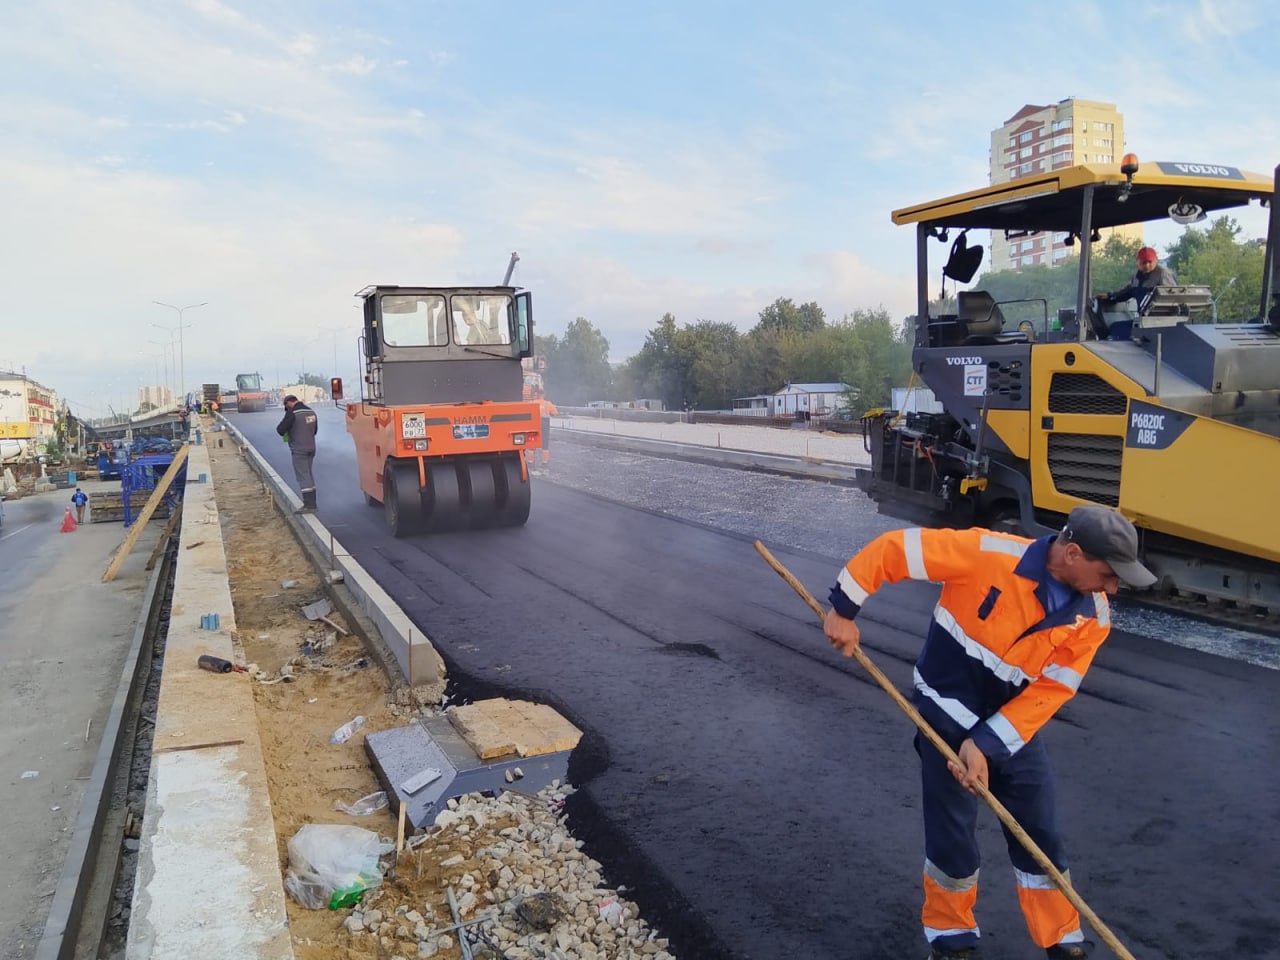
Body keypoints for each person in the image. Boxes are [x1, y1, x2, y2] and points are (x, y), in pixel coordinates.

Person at [823, 504, 1157, 960]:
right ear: (1074, 553)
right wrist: (843, 609)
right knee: (953, 833)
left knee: (1040, 831)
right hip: (945, 709)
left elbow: (1052, 689)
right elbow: (894, 549)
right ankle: (951, 938)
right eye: (1108, 573)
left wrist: (988, 743)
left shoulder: (1093, 618)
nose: (1113, 587)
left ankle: (1062, 939)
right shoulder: (986, 553)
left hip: (1011, 726)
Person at [276, 394, 318, 512]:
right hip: (311, 447)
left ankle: (309, 505)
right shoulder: (311, 412)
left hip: (299, 449)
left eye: (287, 406)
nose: (287, 409)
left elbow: (280, 430)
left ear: (288, 402)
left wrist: (290, 432)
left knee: (303, 476)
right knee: (308, 474)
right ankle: (313, 502)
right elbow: (314, 431)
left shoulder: (293, 413)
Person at [1099, 246, 1177, 309]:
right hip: (1143, 318)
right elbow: (1127, 292)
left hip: (1161, 319)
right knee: (1116, 326)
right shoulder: (1136, 278)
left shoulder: (1163, 274)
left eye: (1150, 262)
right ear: (1137, 262)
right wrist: (1110, 295)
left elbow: (1174, 297)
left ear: (1155, 260)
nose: (1147, 265)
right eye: (1144, 262)